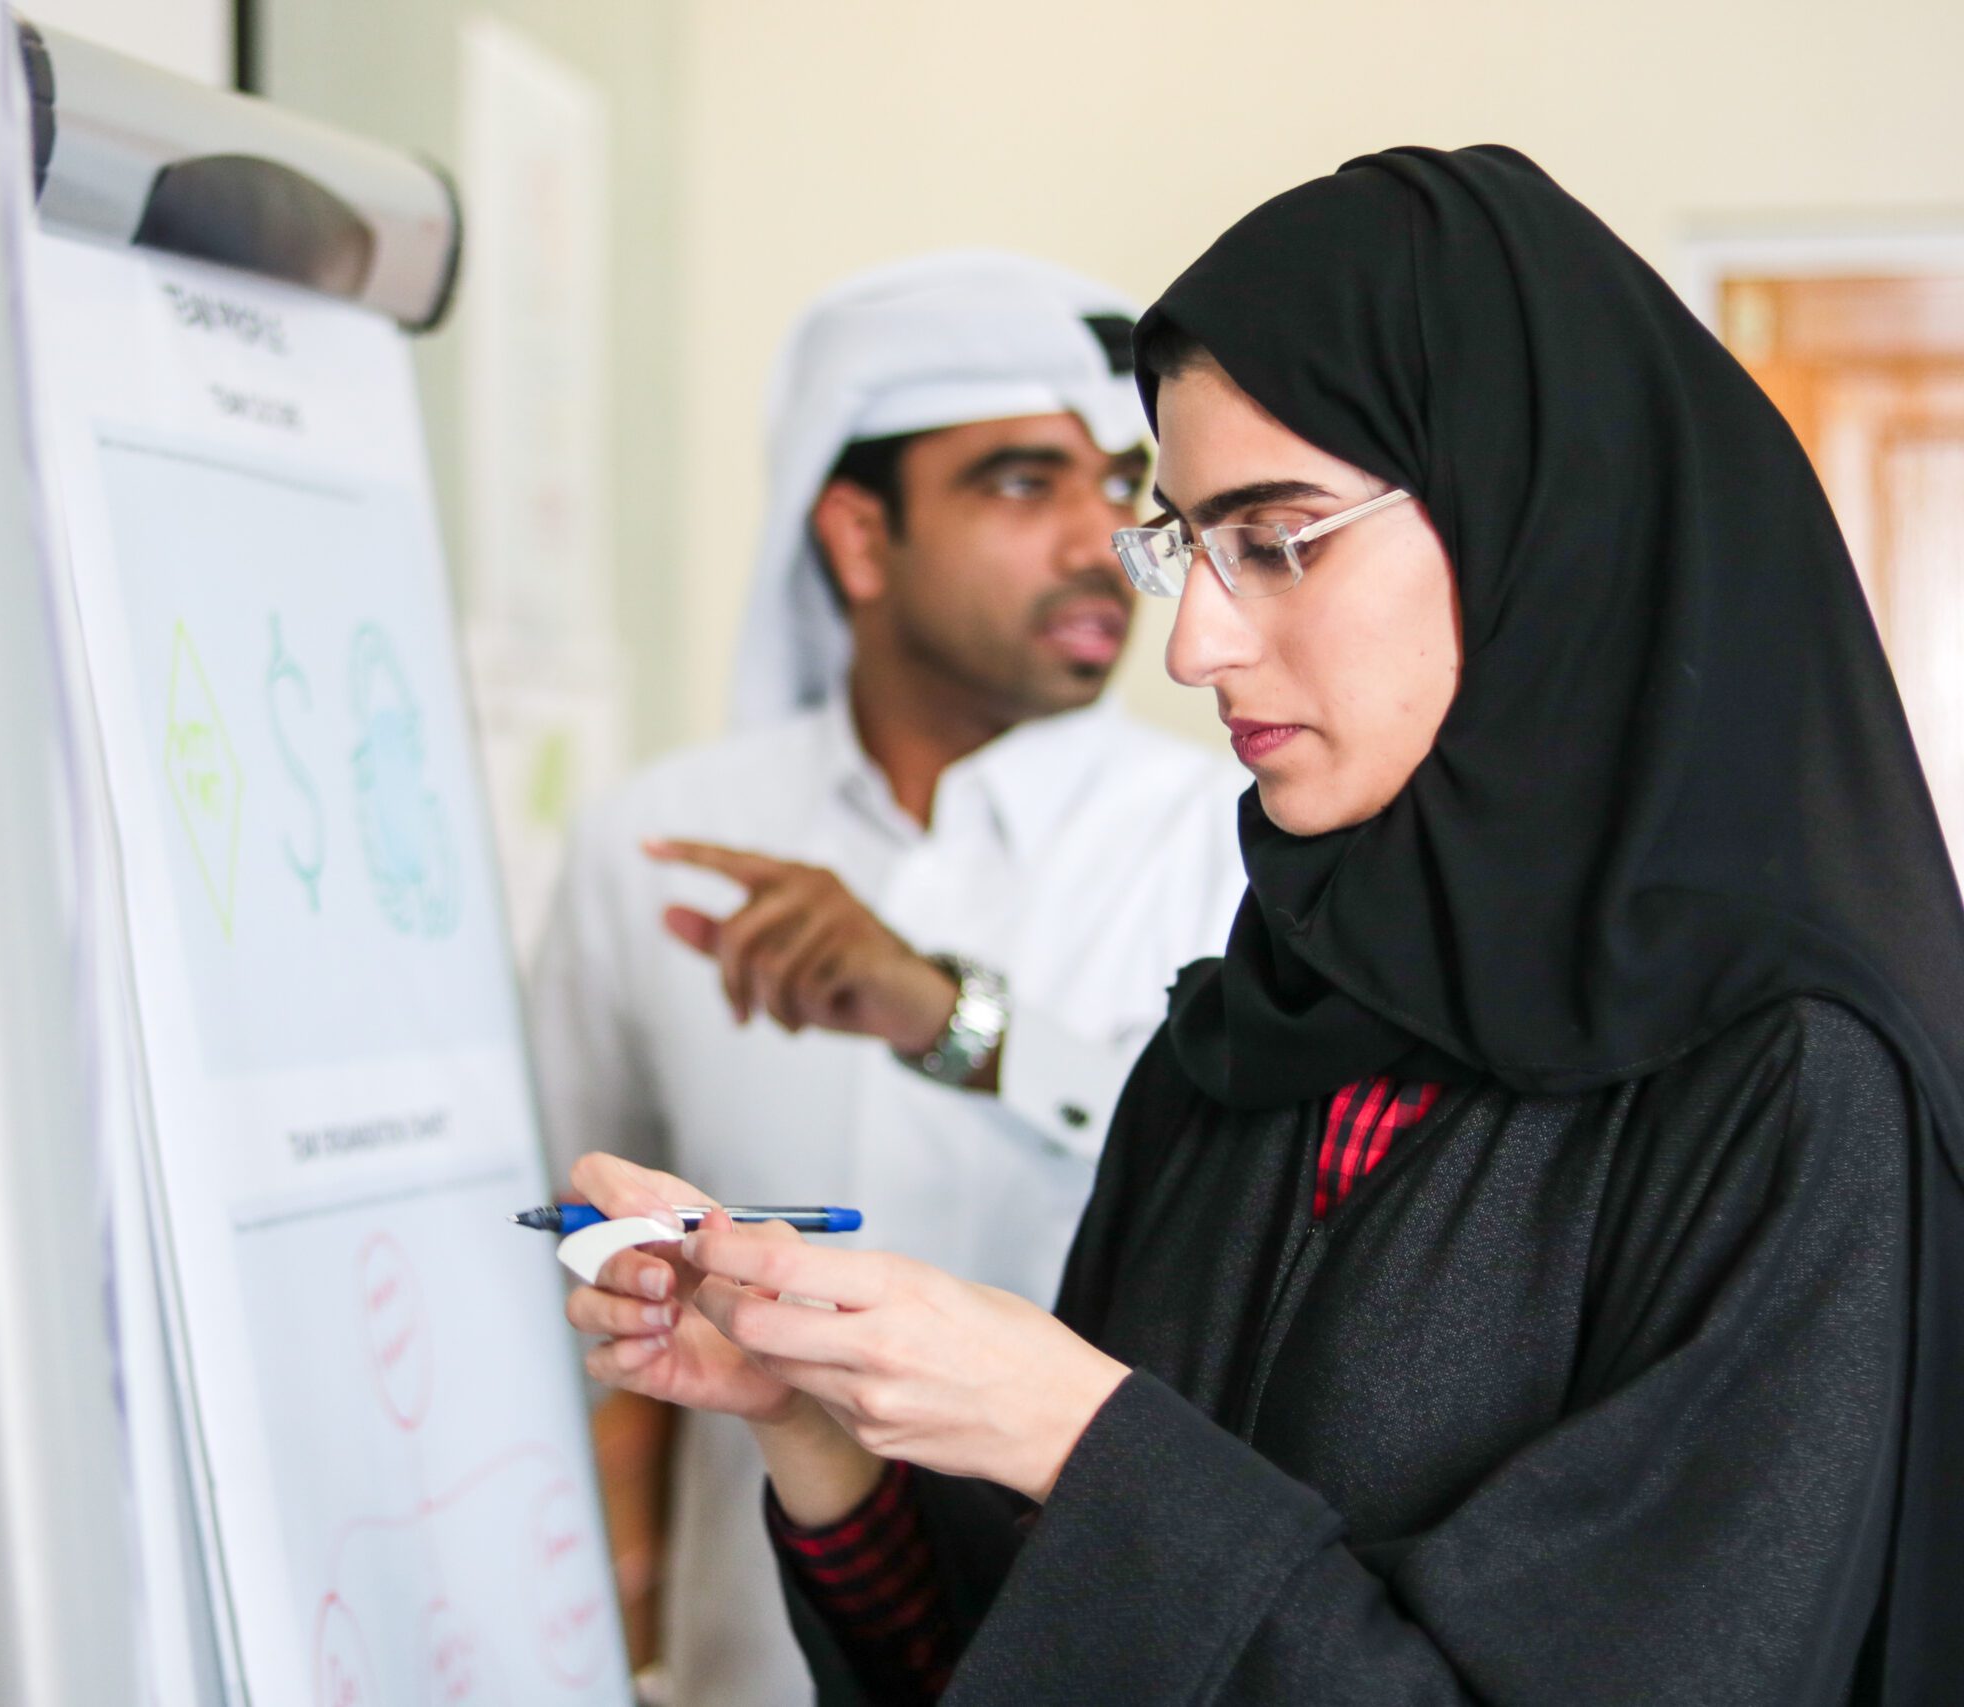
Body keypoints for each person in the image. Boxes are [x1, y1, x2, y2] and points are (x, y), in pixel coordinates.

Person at [563, 145, 1964, 1704]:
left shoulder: (1789, 1095)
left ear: (1526, 524)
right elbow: (1047, 1656)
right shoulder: (1248, 1042)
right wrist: (816, 1425)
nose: (1195, 642)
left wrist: (1079, 1437)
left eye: (1276, 540)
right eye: (1189, 546)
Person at [526, 252, 1245, 1704]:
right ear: (859, 535)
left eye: (1120, 484)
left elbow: (1241, 1203)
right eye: (1024, 483)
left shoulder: (1229, 837)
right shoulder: (660, 850)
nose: (1101, 538)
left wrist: (947, 1014)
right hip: (754, 1663)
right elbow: (570, 1277)